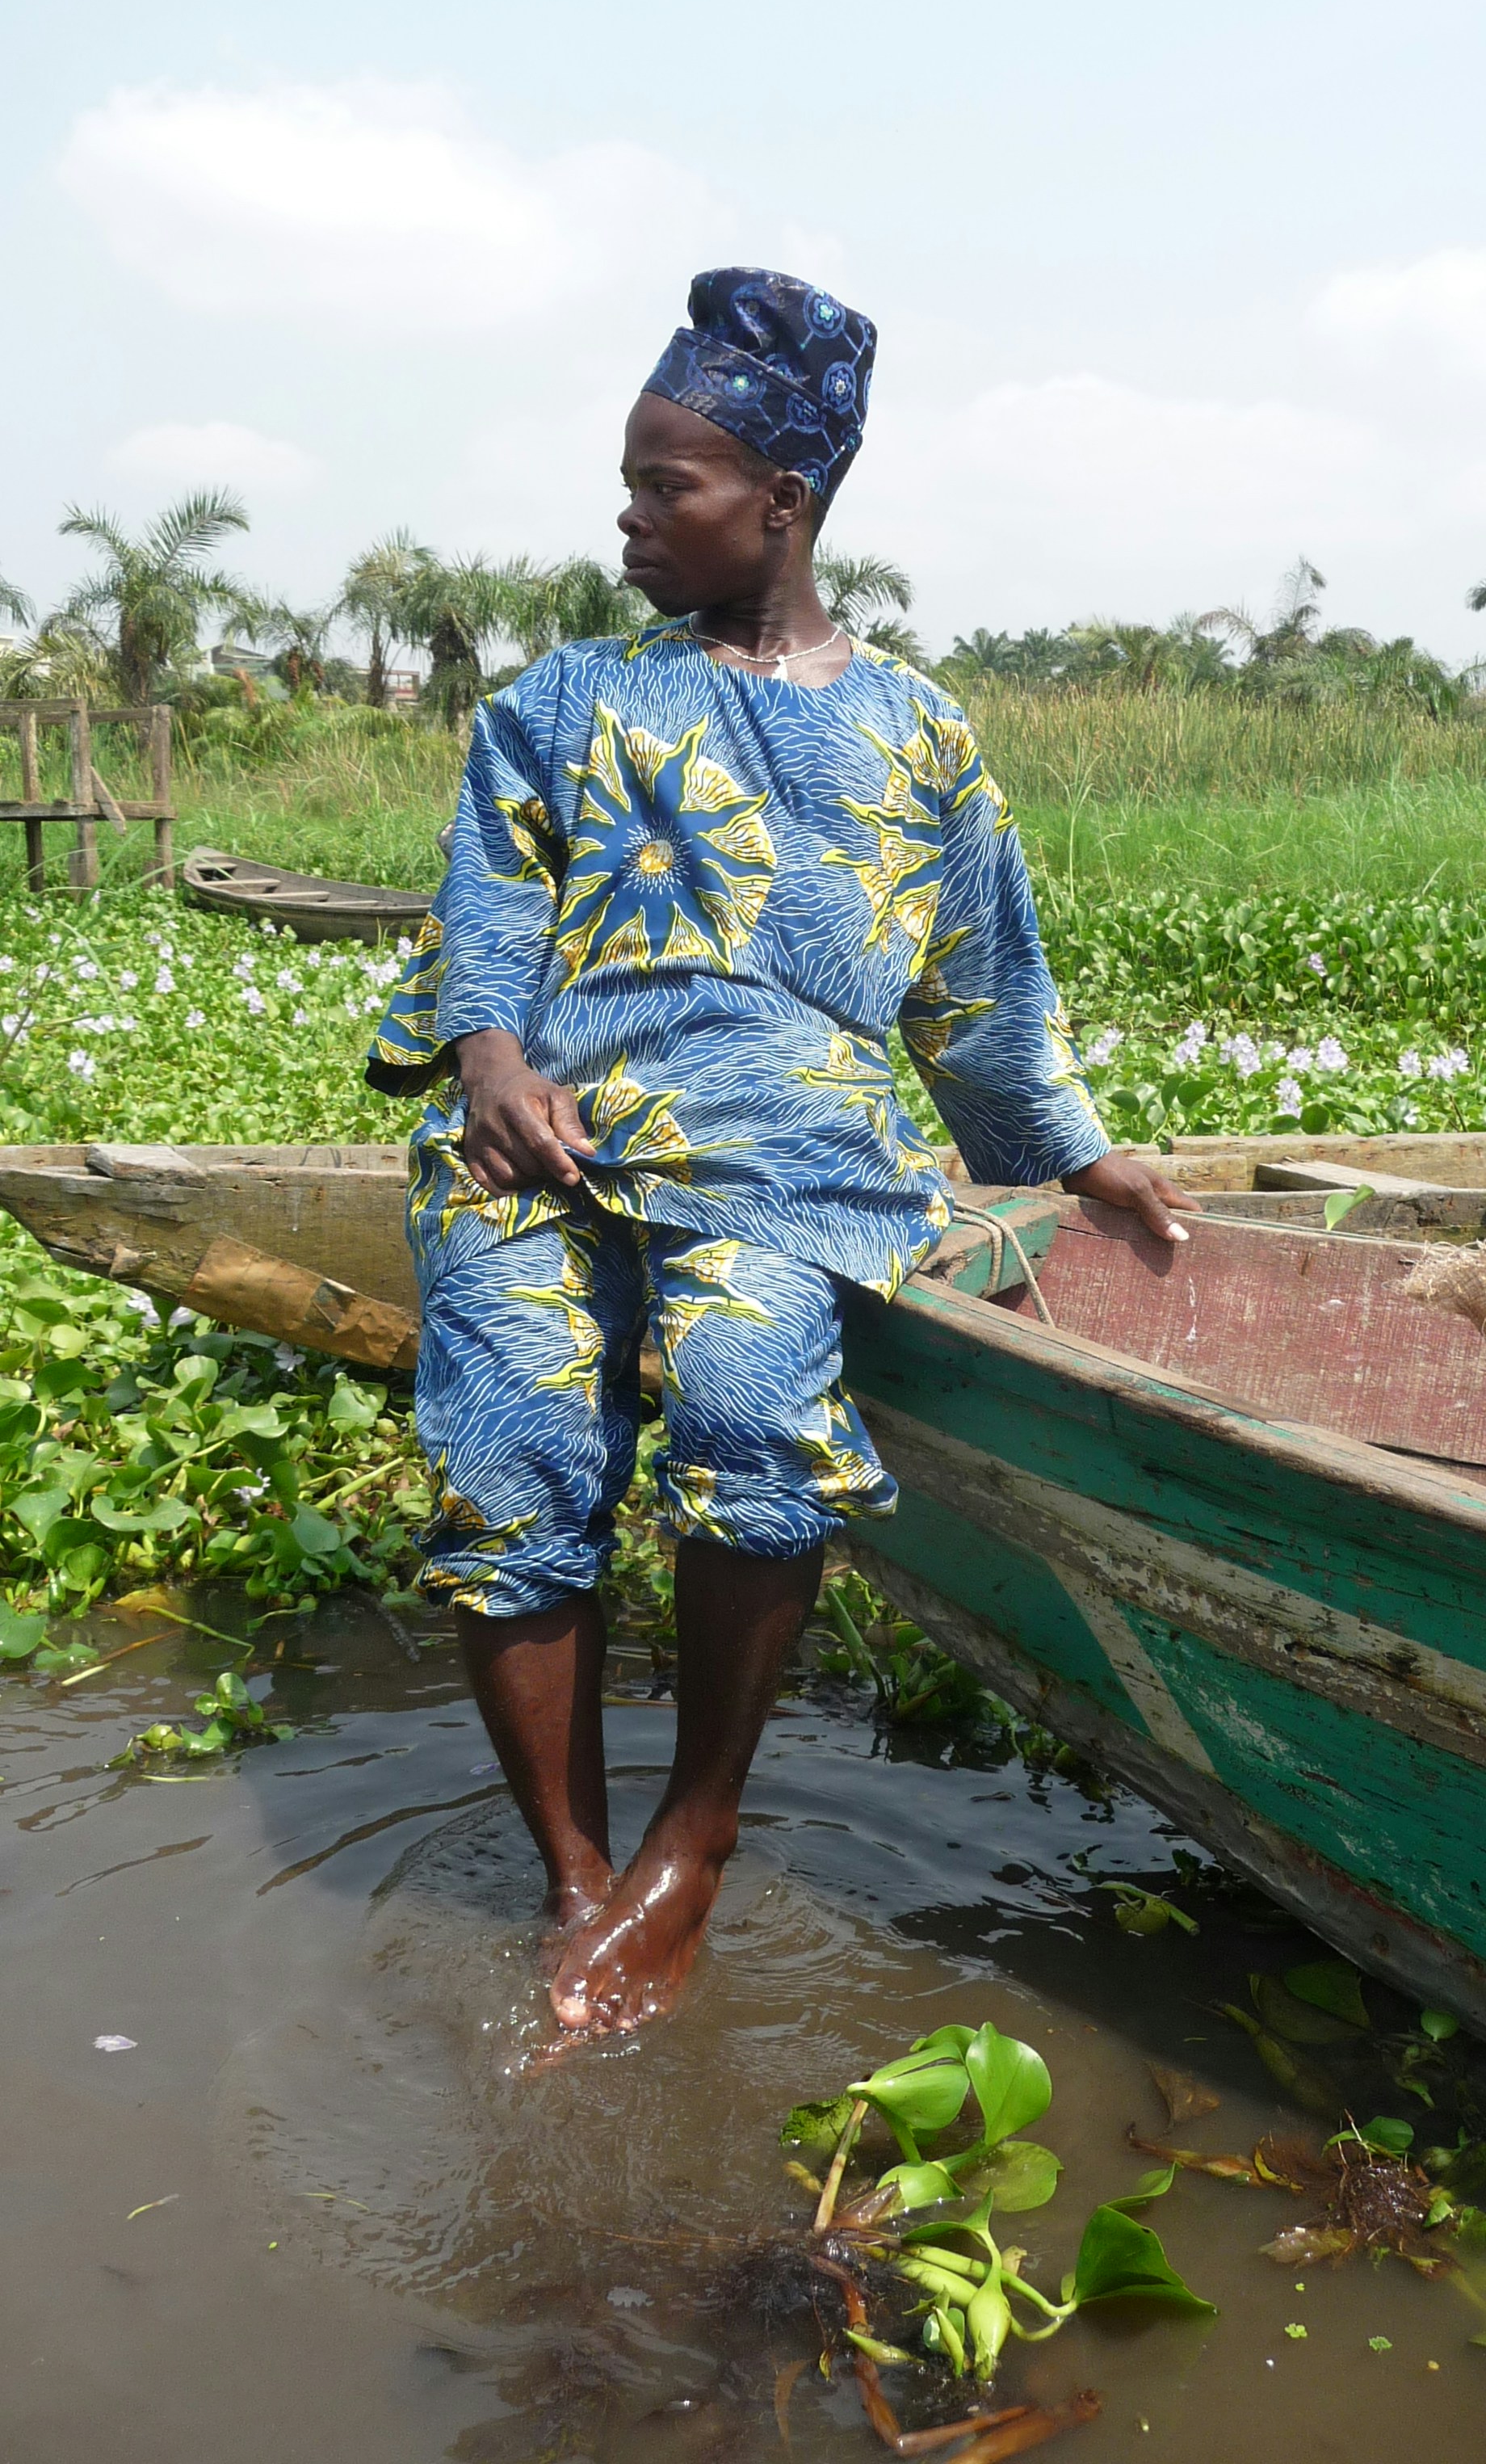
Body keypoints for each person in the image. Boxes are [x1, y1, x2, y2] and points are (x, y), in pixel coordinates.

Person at [367, 268, 1196, 2038]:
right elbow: (483, 909)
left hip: (791, 1165)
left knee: (749, 1410)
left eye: (667, 483)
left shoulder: (917, 733)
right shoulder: (561, 701)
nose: (629, 515)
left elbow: (977, 983)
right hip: (547, 1143)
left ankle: (696, 1829)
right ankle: (577, 1881)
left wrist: (1076, 1155)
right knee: (512, 1460)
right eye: (631, 477)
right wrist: (491, 1058)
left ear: (784, 505)